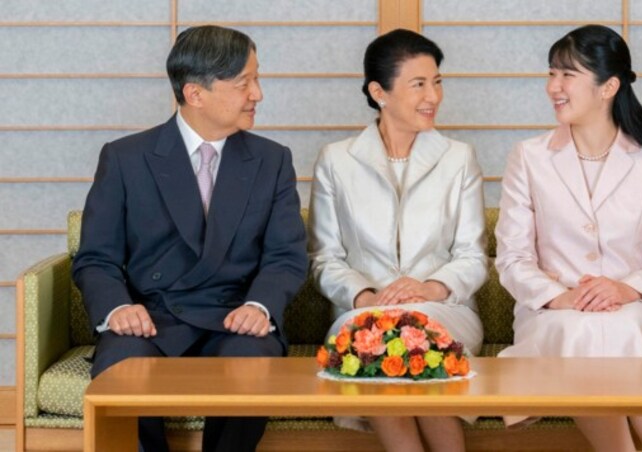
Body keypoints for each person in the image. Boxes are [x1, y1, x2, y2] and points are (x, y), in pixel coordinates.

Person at [72, 25, 307, 452]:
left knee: (251, 365)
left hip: (234, 318)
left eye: (257, 78)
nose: (258, 94)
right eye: (244, 83)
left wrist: (260, 306)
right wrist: (119, 308)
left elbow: (285, 256)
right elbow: (95, 258)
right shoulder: (126, 158)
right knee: (120, 367)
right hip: (152, 318)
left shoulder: (272, 161)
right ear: (195, 93)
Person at [494, 25, 642, 452]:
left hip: (639, 312)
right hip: (553, 314)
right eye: (551, 73)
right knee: (580, 331)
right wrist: (562, 297)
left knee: (622, 327)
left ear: (609, 86)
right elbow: (512, 258)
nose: (553, 87)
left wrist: (626, 288)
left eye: (567, 75)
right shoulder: (529, 157)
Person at [309, 29, 486, 452]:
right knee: (375, 338)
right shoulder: (336, 160)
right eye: (419, 84)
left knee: (417, 335)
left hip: (446, 308)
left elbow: (473, 256)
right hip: (361, 311)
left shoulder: (458, 157)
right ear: (379, 91)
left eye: (437, 82)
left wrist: (429, 288)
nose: (434, 96)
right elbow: (324, 259)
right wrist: (366, 299)